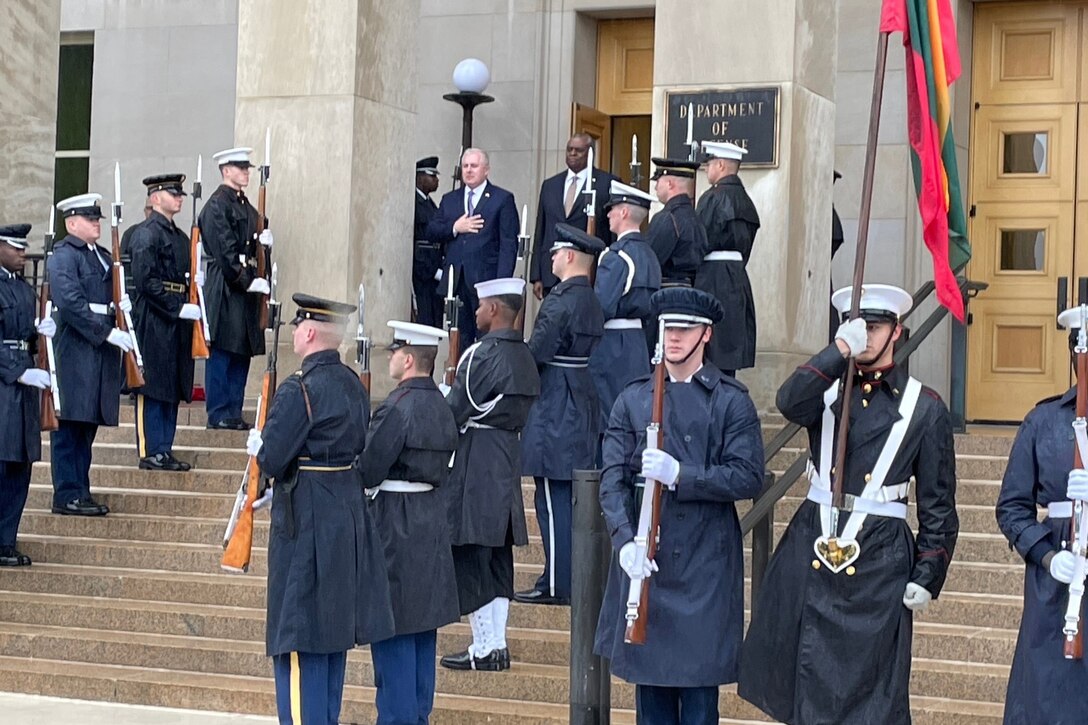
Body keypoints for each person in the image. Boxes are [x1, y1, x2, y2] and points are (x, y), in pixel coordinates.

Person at [738, 284, 959, 725]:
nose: (865, 336)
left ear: (897, 331)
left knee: (872, 698)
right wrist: (838, 350)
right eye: (857, 327)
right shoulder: (824, 391)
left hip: (879, 558)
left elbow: (938, 505)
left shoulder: (924, 407)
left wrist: (929, 570)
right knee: (806, 689)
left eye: (874, 328)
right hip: (814, 541)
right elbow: (787, 400)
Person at [594, 287, 765, 724]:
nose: (673, 337)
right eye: (667, 327)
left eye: (684, 328)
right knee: (651, 704)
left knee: (699, 700)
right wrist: (623, 542)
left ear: (705, 334)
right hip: (647, 561)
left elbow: (748, 476)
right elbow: (611, 479)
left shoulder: (729, 400)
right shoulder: (634, 398)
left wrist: (682, 475)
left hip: (703, 566)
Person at [249, 293, 394, 724]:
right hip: (344, 514)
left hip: (307, 520)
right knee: (329, 641)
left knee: (298, 640)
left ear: (310, 332)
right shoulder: (353, 383)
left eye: (298, 326)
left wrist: (261, 448)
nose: (294, 332)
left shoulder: (300, 388)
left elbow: (272, 458)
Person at [358, 321, 460, 724]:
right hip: (430, 521)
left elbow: (368, 467)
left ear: (409, 358)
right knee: (422, 634)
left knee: (395, 632)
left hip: (396, 525)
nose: (390, 359)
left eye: (394, 352)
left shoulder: (398, 407)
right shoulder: (441, 404)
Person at [440, 277, 540, 671]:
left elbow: (454, 411)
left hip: (475, 460)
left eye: (481, 305)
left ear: (495, 309)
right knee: (497, 557)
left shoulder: (480, 355)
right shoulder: (525, 356)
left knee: (471, 555)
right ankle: (496, 643)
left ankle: (483, 646)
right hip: (505, 456)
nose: (476, 312)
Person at [996, 303, 1088, 725]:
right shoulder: (1044, 421)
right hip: (1056, 589)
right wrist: (1049, 558)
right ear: (1075, 358)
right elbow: (1012, 508)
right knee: (1048, 702)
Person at [516, 224, 604, 606]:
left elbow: (537, 351)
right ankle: (568, 576)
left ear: (569, 256)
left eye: (555, 253)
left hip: (556, 401)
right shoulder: (590, 298)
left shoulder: (560, 300)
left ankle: (557, 582)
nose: (550, 258)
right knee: (569, 498)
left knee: (551, 498)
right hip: (580, 394)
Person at [49, 193, 133, 517]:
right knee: (70, 426)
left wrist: (123, 308)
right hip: (77, 348)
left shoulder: (101, 255)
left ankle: (80, 490)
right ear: (71, 223)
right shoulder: (64, 256)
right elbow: (70, 302)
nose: (96, 222)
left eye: (96, 218)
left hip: (98, 354)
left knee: (86, 427)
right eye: (89, 218)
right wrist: (105, 331)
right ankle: (67, 493)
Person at [128, 174, 200, 471]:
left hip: (176, 315)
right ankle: (151, 450)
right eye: (173, 193)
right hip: (155, 315)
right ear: (156, 197)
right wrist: (177, 307)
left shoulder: (180, 237)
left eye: (180, 193)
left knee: (171, 382)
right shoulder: (147, 234)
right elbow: (146, 282)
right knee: (152, 384)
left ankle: (164, 447)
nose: (179, 197)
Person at [198, 146, 273, 430]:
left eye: (247, 168)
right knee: (223, 351)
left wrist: (265, 241)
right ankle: (219, 412)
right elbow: (225, 253)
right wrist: (246, 279)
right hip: (227, 287)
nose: (245, 172)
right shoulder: (217, 205)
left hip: (247, 286)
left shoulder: (245, 205)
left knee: (242, 350)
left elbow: (255, 244)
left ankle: (234, 409)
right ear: (225, 171)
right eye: (239, 168)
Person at [589, 180, 660, 442]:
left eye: (612, 208)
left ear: (624, 212)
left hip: (612, 348)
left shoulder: (616, 255)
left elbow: (602, 307)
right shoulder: (649, 254)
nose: (607, 214)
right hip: (637, 343)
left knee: (609, 422)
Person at [0, 224, 55, 564]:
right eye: (15, 247)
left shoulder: (22, 289)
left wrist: (39, 333)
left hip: (24, 383)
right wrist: (18, 370)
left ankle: (7, 541)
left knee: (20, 465)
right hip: (5, 382)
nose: (23, 253)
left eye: (24, 248)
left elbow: (27, 332)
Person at [426, 148, 518, 346]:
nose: (468, 170)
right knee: (458, 339)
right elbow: (432, 230)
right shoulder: (450, 199)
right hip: (456, 282)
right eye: (465, 166)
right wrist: (454, 228)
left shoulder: (501, 199)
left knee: (486, 338)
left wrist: (500, 286)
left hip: (486, 282)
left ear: (486, 170)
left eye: (474, 166)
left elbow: (508, 245)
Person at [694, 141, 761, 376]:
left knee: (709, 348)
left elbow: (699, 240)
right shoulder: (747, 201)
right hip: (737, 277)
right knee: (728, 353)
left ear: (721, 165)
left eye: (709, 163)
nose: (706, 169)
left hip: (711, 279)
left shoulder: (712, 198)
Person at [529, 134, 616, 299]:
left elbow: (611, 232)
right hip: (551, 272)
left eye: (579, 150)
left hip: (587, 272)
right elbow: (541, 229)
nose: (573, 154)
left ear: (590, 153)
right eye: (569, 150)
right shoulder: (550, 185)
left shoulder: (606, 183)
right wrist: (536, 275)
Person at [646, 158, 706, 287]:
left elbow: (650, 263)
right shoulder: (696, 218)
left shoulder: (667, 218)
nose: (656, 186)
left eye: (658, 181)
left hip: (667, 294)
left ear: (669, 184)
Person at [412, 157, 444, 327]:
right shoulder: (414, 203)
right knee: (424, 324)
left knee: (434, 325)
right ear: (419, 178)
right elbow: (417, 244)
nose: (436, 180)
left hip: (433, 277)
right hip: (423, 275)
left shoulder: (428, 203)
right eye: (432, 175)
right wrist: (433, 271)